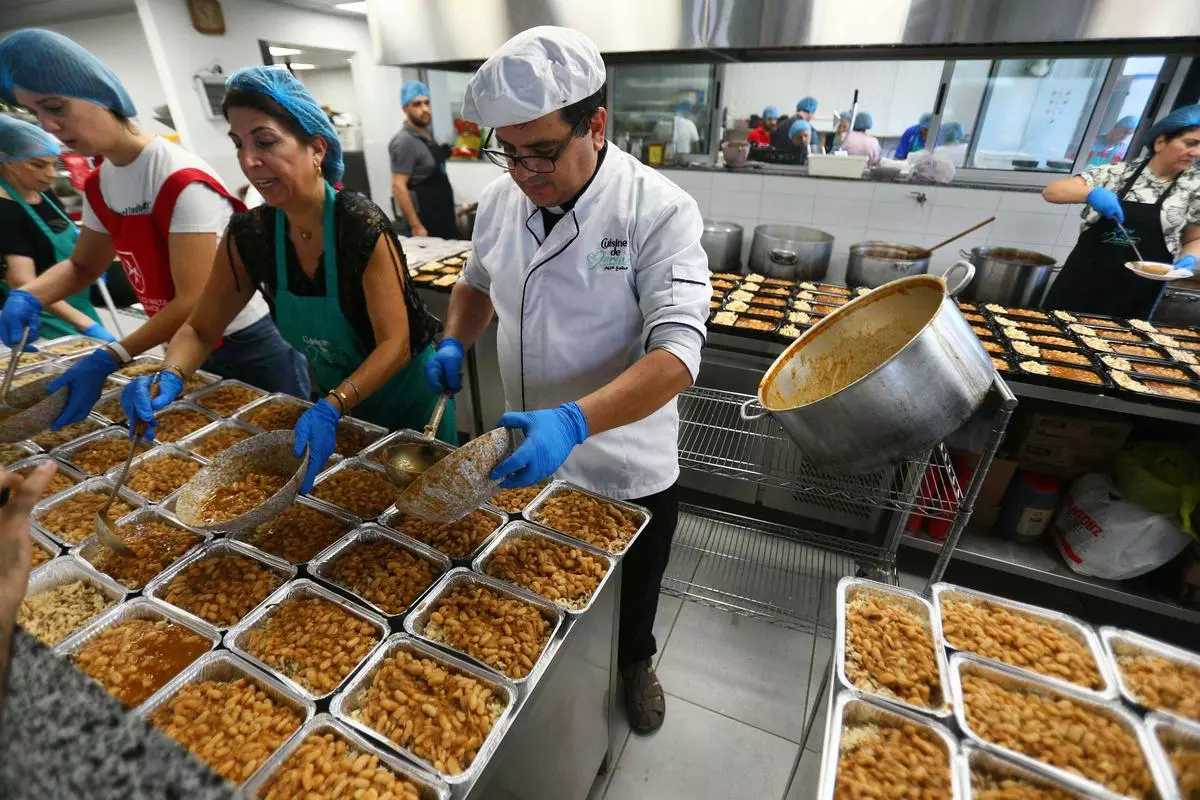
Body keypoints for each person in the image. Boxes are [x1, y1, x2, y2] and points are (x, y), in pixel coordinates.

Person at [427, 26, 710, 733]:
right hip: (528, 447)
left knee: (632, 592)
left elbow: (676, 354)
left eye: (543, 152)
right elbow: (475, 282)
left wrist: (577, 420)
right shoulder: (499, 201)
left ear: (597, 124)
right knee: (542, 580)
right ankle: (552, 678)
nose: (523, 171)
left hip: (623, 458)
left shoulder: (658, 210)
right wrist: (455, 340)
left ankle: (635, 663)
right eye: (508, 151)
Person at [122, 66, 453, 493]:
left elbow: (396, 344)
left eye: (265, 141)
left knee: (422, 503)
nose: (248, 160)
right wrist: (169, 373)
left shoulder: (359, 225)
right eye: (239, 144)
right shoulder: (250, 235)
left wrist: (333, 405)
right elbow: (201, 327)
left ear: (316, 148)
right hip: (343, 402)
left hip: (408, 399)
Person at [0, 29, 308, 432]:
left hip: (242, 342)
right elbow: (82, 266)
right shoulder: (101, 180)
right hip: (179, 340)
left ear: (100, 94)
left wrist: (112, 355)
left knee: (279, 445)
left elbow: (192, 300)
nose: (49, 125)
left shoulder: (178, 178)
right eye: (35, 114)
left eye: (55, 107)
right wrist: (28, 297)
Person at [1042, 104, 1200, 318]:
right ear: (1161, 142)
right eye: (1191, 143)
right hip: (1081, 282)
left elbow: (1194, 238)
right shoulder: (1116, 174)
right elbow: (1053, 192)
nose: (1197, 153)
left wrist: (1190, 258)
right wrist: (1090, 193)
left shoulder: (1194, 188)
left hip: (1138, 293)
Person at [0, 114, 111, 342]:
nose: (50, 174)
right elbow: (22, 282)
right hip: (42, 318)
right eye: (38, 165)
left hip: (76, 302)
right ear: (6, 161)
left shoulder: (41, 191)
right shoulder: (4, 209)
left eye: (53, 163)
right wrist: (85, 324)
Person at [389, 80, 458, 239]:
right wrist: (416, 226)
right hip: (426, 221)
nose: (425, 109)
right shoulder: (404, 141)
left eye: (427, 103)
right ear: (405, 109)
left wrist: (451, 213)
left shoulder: (426, 135)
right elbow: (399, 186)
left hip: (442, 217)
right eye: (417, 104)